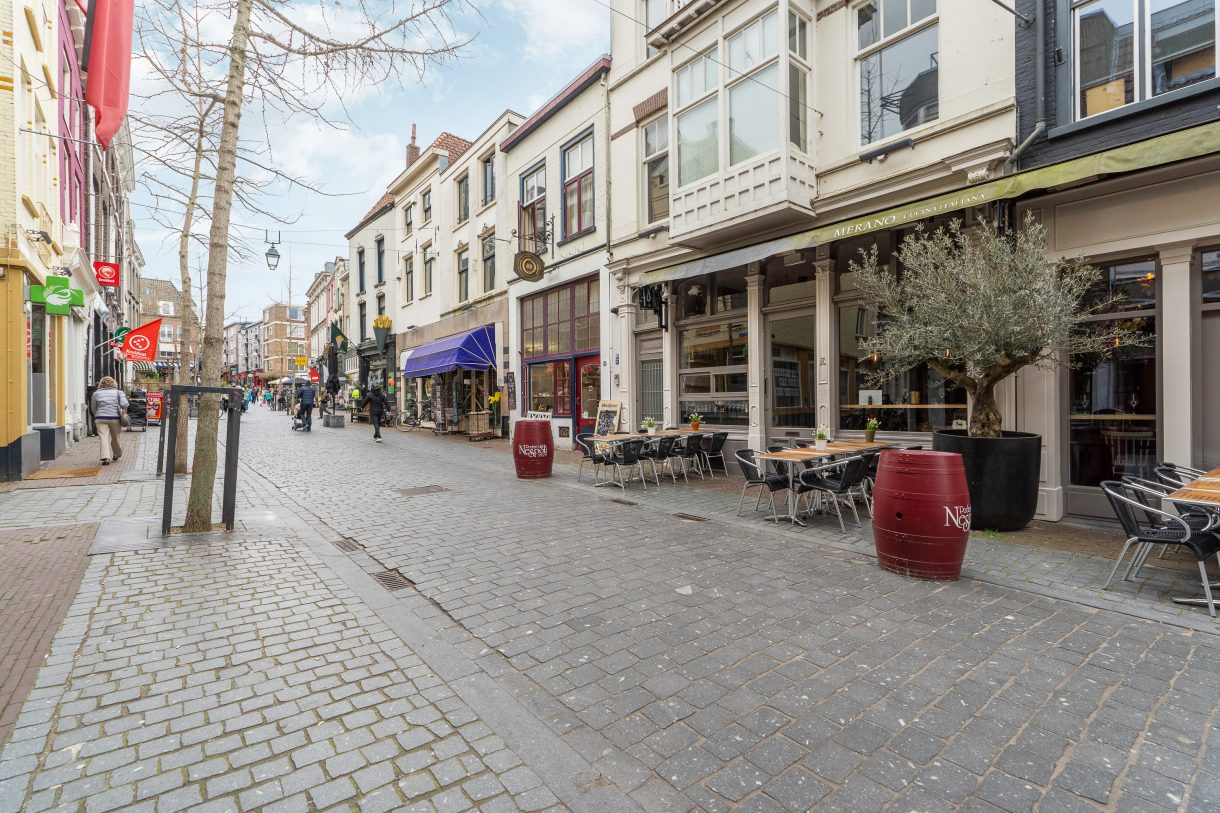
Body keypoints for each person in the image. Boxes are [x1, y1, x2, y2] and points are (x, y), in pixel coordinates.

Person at [89, 376, 128, 465]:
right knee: (115, 436)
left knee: (103, 438)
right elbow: (124, 404)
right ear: (114, 383)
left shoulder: (96, 393)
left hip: (101, 418)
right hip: (115, 419)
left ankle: (105, 457)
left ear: (101, 384)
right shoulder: (119, 392)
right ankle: (117, 453)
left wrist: (97, 415)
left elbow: (93, 408)